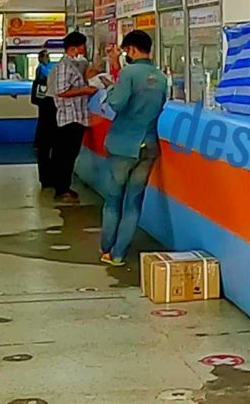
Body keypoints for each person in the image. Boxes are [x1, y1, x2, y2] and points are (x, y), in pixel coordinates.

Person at [99, 30, 168, 266]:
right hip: (148, 147)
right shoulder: (160, 77)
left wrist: (110, 87)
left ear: (131, 50)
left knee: (113, 201)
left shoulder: (129, 73)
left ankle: (107, 248)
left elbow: (117, 103)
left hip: (123, 147)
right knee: (133, 204)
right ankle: (119, 254)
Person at [48, 32, 98, 204]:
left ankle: (64, 187)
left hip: (77, 117)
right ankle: (61, 190)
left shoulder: (75, 65)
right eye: (83, 45)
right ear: (73, 48)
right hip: (70, 118)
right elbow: (61, 91)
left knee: (69, 155)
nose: (85, 49)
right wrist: (85, 90)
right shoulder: (64, 67)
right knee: (65, 156)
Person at [31, 49, 57, 189]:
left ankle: (46, 178)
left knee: (43, 128)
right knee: (47, 134)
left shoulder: (44, 67)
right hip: (49, 102)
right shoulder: (47, 68)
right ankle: (49, 177)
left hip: (44, 101)